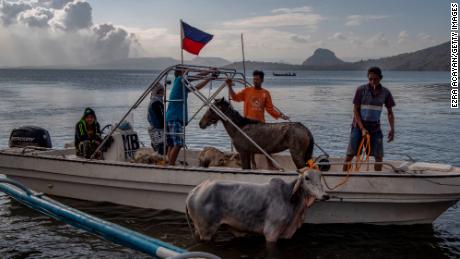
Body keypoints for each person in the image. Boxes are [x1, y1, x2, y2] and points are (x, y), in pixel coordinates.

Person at [343, 67, 395, 171]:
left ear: (380, 78)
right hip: (358, 127)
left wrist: (392, 129)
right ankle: (344, 176)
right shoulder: (361, 90)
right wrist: (362, 128)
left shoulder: (386, 93)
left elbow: (390, 112)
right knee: (350, 154)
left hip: (375, 128)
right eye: (370, 79)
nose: (372, 81)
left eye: (375, 79)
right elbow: (355, 111)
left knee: (379, 157)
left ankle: (377, 179)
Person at [166, 68, 214, 165]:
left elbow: (196, 88)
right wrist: (209, 71)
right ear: (180, 73)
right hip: (174, 117)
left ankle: (168, 163)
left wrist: (209, 79)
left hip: (172, 117)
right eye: (185, 71)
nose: (188, 73)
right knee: (178, 144)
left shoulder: (181, 85)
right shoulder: (180, 79)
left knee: (172, 144)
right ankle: (170, 165)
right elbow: (197, 76)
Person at [147, 84, 165, 155]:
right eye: (162, 91)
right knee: (162, 151)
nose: (163, 93)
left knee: (158, 149)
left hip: (154, 130)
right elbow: (161, 119)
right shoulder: (156, 103)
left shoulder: (152, 101)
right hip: (158, 132)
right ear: (158, 92)